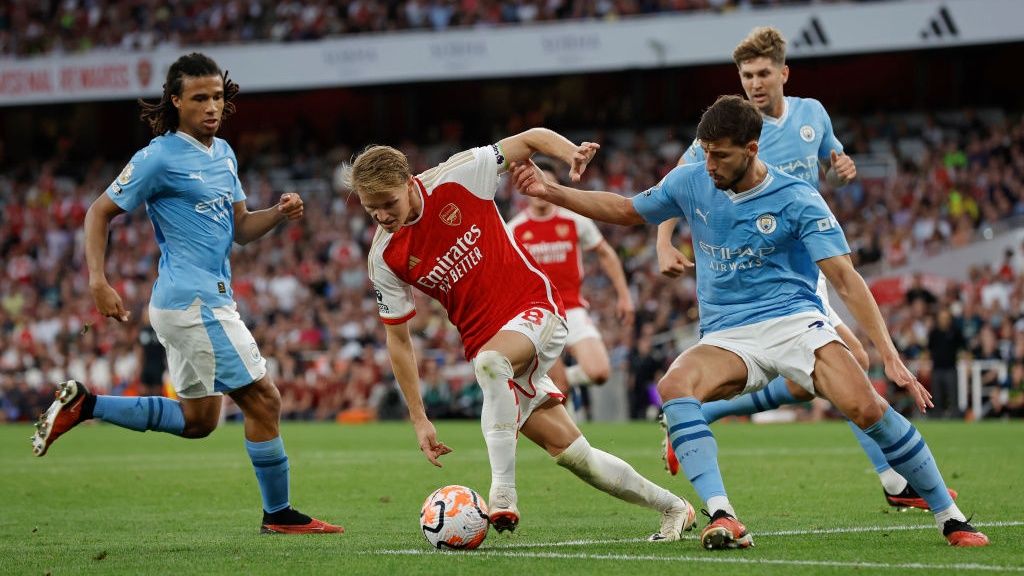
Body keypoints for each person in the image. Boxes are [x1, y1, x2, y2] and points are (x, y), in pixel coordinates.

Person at [509, 95, 988, 549]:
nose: (708, 164)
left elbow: (844, 278)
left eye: (719, 156)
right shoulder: (692, 179)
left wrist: (891, 355)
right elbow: (626, 209)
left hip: (795, 323)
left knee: (866, 407)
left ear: (751, 149)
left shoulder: (797, 197)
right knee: (675, 385)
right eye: (706, 154)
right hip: (727, 334)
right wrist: (551, 190)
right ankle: (722, 515)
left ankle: (949, 515)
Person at [30, 52, 342, 535]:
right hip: (194, 301)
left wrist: (278, 212)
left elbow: (240, 228)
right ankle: (278, 515)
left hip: (198, 301)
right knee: (265, 399)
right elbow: (98, 213)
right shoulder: (159, 155)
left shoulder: (224, 154)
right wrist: (98, 279)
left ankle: (85, 405)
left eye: (217, 96)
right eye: (199, 98)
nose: (211, 107)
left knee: (199, 421)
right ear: (176, 101)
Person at [653, 26, 956, 511]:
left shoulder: (812, 113)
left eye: (762, 73)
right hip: (764, 271)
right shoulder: (735, 134)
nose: (753, 83)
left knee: (809, 380)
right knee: (847, 364)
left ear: (783, 73)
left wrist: (841, 161)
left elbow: (829, 148)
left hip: (806, 261)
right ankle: (894, 480)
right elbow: (677, 188)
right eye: (745, 74)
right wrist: (664, 241)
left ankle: (697, 415)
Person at [347, 131, 694, 541]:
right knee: (577, 457)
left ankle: (503, 495)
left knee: (490, 363)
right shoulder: (385, 257)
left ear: (409, 183)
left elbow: (530, 139)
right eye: (373, 212)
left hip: (536, 309)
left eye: (389, 204)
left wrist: (570, 153)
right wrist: (419, 418)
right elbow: (398, 341)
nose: (383, 217)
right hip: (491, 348)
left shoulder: (458, 176)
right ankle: (675, 508)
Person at [507, 160, 634, 414]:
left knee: (599, 372)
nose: (539, 187)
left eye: (546, 181)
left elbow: (606, 253)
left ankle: (558, 380)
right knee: (559, 391)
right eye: (534, 181)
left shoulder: (574, 221)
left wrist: (624, 295)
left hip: (573, 309)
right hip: (539, 315)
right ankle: (567, 440)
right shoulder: (515, 229)